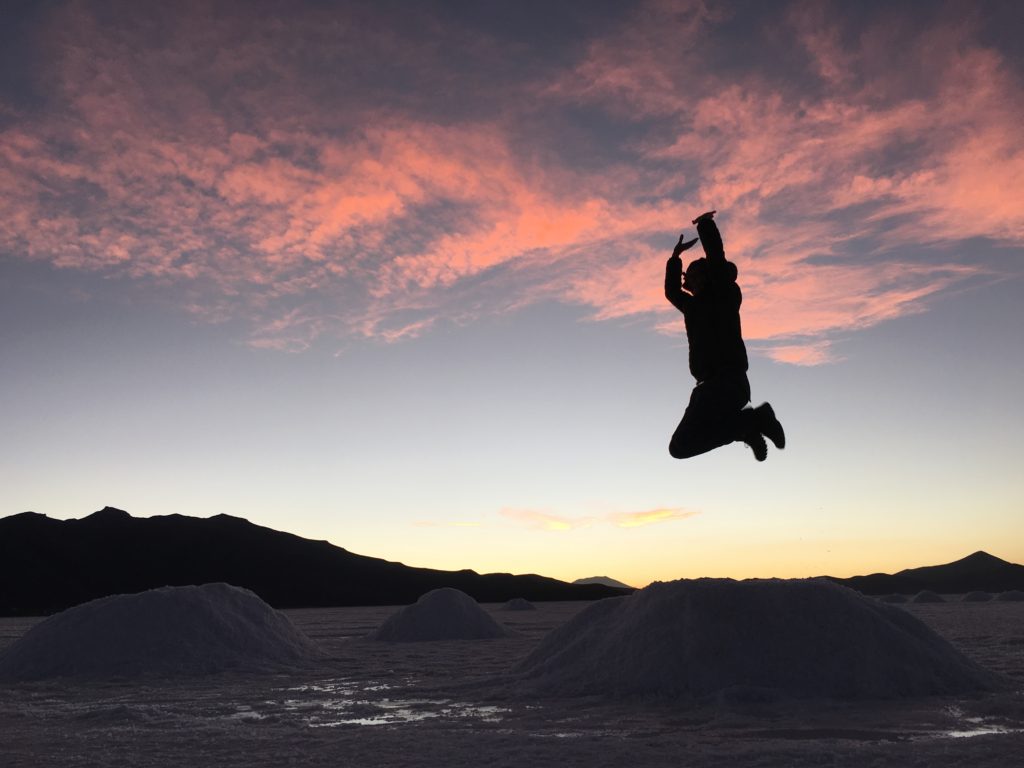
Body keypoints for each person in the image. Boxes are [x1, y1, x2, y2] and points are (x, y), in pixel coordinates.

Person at [664, 210, 784, 461]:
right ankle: (746, 426)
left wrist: (705, 224)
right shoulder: (692, 306)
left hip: (724, 383)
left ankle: (751, 422)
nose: (690, 283)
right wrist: (675, 258)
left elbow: (716, 257)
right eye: (688, 280)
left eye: (693, 277)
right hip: (713, 387)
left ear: (706, 275)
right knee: (680, 447)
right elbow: (672, 292)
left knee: (681, 446)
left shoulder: (723, 293)